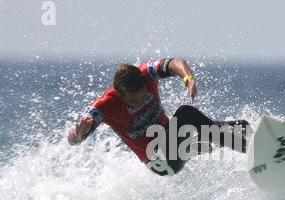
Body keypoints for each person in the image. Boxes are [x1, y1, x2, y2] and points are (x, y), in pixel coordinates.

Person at [68, 58, 250, 176]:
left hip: (178, 145)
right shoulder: (105, 105)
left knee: (240, 128)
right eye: (133, 100)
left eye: (143, 95)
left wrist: (188, 78)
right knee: (186, 114)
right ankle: (248, 148)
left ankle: (262, 156)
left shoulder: (146, 73)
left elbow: (174, 63)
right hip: (159, 161)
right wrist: (78, 134)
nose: (140, 102)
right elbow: (73, 140)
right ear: (120, 94)